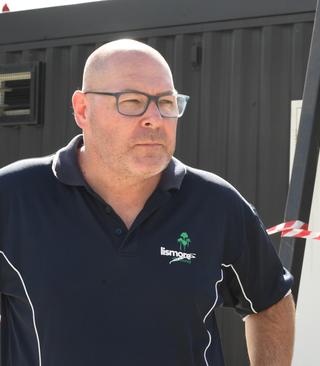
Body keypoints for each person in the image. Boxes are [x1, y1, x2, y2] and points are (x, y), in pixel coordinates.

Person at [0, 39, 295, 366]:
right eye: (132, 101)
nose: (154, 118)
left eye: (166, 102)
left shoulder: (217, 204)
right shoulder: (14, 196)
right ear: (83, 109)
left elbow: (270, 302)